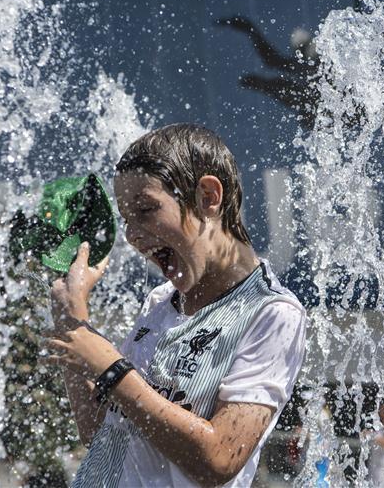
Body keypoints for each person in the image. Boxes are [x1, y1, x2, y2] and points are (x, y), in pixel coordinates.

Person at [43, 123, 307, 487]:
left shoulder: (272, 314)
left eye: (146, 209)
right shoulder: (160, 301)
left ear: (208, 197)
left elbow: (219, 458)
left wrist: (110, 366)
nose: (133, 236)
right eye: (126, 220)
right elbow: (100, 432)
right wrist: (73, 320)